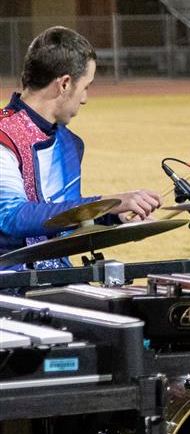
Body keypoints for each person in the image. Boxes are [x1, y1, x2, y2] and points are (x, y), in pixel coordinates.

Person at [0, 26, 161, 269]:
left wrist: (112, 216)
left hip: (57, 284)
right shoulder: (4, 136)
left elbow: (64, 223)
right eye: (86, 86)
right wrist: (104, 202)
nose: (85, 98)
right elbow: (11, 218)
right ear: (64, 83)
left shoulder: (70, 144)